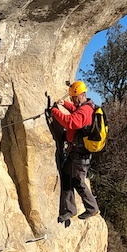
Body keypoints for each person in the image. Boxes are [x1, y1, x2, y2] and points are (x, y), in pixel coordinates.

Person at [50, 81, 100, 224]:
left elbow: (71, 122)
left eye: (74, 97)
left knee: (78, 181)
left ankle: (92, 208)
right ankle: (69, 210)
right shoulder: (85, 107)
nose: (72, 100)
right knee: (66, 177)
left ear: (82, 95)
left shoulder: (85, 110)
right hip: (76, 152)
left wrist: (54, 112)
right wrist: (65, 104)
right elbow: (76, 112)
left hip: (80, 154)